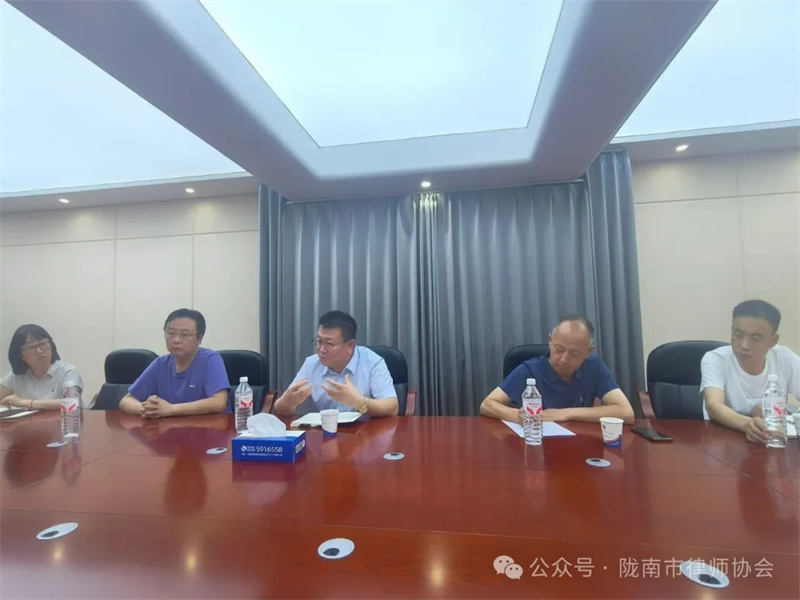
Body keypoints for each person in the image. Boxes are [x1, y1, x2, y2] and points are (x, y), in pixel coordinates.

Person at [480, 316, 634, 424]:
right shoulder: (529, 370)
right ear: (550, 341)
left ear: (588, 352)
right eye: (559, 349)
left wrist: (565, 414)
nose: (564, 359)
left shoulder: (594, 367)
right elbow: (487, 404)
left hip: (579, 445)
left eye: (574, 353)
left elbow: (626, 412)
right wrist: (517, 416)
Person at [701, 300, 800, 443]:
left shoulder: (785, 359)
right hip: (721, 443)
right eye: (738, 335)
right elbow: (714, 406)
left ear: (774, 340)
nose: (744, 345)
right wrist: (747, 424)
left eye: (755, 338)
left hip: (771, 443)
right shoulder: (716, 359)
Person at [273, 310, 399, 417]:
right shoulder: (311, 364)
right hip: (324, 433)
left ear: (350, 346)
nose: (321, 349)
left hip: (366, 433)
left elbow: (393, 408)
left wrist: (359, 402)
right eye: (319, 341)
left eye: (329, 343)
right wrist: (287, 402)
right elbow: (281, 409)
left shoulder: (372, 362)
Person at [119, 309, 229, 418]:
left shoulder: (210, 360)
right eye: (171, 333)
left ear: (200, 338)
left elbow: (219, 402)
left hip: (208, 427)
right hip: (170, 427)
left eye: (184, 335)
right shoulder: (160, 364)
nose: (176, 340)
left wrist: (171, 409)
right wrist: (148, 409)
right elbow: (126, 400)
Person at [0, 324, 84, 410]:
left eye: (43, 344)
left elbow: (71, 402)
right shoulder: (16, 377)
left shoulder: (68, 371)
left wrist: (23, 402)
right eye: (31, 347)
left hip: (65, 419)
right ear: (20, 355)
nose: (39, 351)